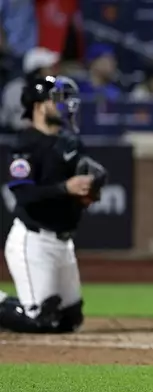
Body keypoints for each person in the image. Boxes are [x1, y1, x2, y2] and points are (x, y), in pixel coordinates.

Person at [0, 75, 108, 333]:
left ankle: (30, 303)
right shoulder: (26, 143)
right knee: (40, 320)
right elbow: (24, 194)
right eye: (57, 99)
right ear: (39, 106)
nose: (64, 105)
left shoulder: (70, 142)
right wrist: (65, 188)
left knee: (69, 321)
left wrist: (89, 190)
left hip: (63, 243)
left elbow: (80, 191)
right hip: (34, 239)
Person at [0, 47, 60, 132]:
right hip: (19, 140)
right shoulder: (16, 89)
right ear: (37, 72)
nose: (53, 72)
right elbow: (16, 122)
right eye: (49, 68)